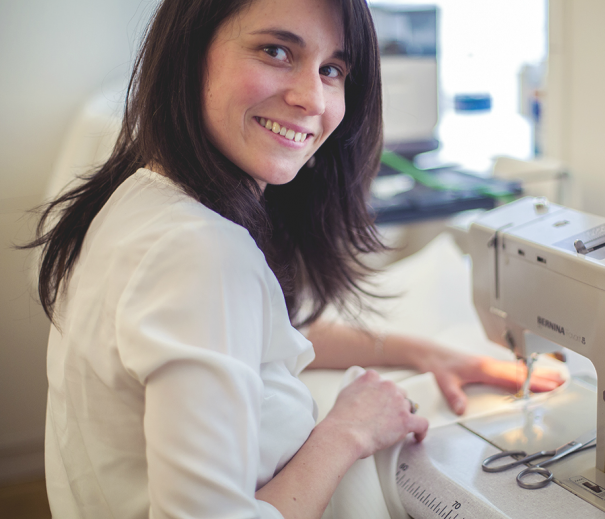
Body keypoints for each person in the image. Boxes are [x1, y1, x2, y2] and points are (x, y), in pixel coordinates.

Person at [25, 0, 563, 517]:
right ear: (190, 52)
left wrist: (423, 352)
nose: (313, 98)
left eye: (332, 69)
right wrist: (347, 430)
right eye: (277, 52)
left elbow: (246, 336)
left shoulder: (140, 195)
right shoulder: (202, 254)